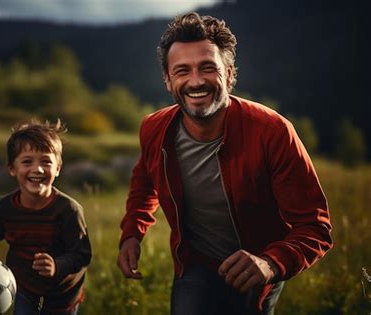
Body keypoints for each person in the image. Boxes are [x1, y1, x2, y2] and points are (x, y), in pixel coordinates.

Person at [117, 12, 333, 315]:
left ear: (230, 74)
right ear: (167, 80)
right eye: (182, 71)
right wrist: (131, 234)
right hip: (195, 265)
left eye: (208, 68)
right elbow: (144, 182)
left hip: (258, 270)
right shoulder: (154, 129)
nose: (196, 81)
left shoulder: (273, 131)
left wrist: (271, 263)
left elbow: (315, 227)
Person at [0, 119, 91, 315]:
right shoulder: (5, 207)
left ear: (58, 168)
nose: (37, 169)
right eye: (27, 161)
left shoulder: (69, 210)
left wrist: (57, 265)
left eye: (46, 161)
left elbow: (82, 254)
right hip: (24, 287)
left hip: (62, 294)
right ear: (12, 168)